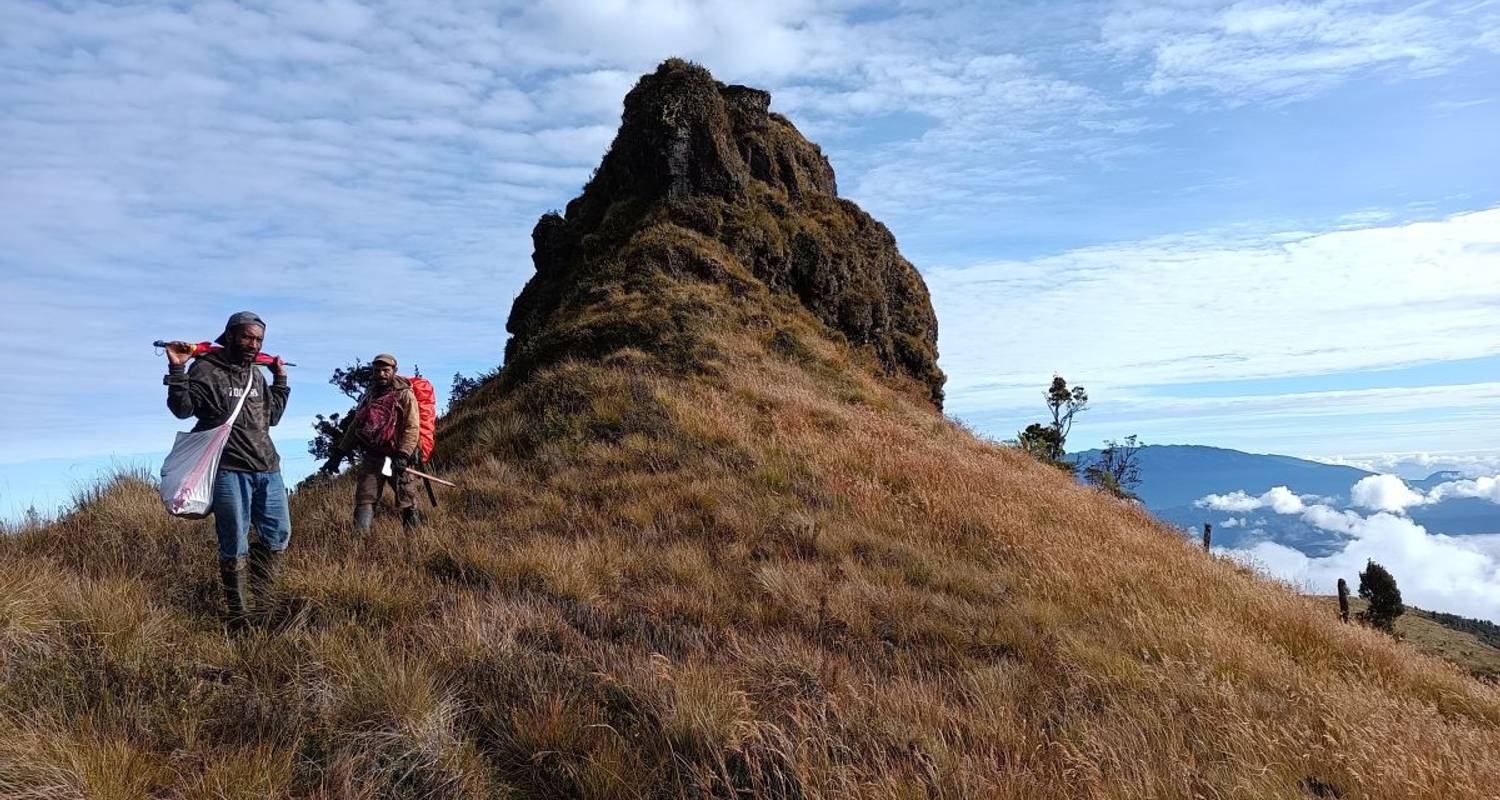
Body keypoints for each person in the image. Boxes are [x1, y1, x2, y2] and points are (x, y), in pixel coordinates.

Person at [164, 311, 290, 629]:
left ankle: (265, 603)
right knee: (234, 542)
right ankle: (240, 616)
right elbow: (182, 409)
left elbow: (271, 418)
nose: (252, 343)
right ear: (230, 335)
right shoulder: (206, 369)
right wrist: (177, 368)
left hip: (268, 469)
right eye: (247, 336)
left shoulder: (256, 374)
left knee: (277, 536)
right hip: (228, 471)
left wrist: (281, 380)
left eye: (258, 339)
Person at [321, 353, 422, 532]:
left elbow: (412, 427)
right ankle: (359, 543)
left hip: (398, 456)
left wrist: (403, 453)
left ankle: (413, 542)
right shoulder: (370, 395)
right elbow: (356, 426)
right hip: (374, 456)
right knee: (365, 498)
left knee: (407, 498)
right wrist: (338, 453)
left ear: (394, 371)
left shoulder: (405, 395)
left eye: (386, 370)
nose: (381, 374)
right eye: (377, 370)